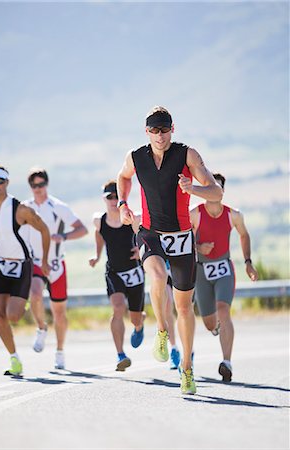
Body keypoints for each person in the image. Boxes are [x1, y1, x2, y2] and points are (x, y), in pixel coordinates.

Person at [117, 106, 222, 394]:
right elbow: (123, 178)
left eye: (164, 129)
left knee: (185, 307)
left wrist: (193, 189)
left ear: (172, 129)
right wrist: (122, 204)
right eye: (154, 130)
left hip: (182, 237)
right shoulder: (135, 157)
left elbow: (217, 192)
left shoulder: (187, 154)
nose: (160, 135)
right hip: (150, 233)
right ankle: (162, 331)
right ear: (146, 131)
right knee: (157, 275)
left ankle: (187, 369)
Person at [190, 172, 258, 382]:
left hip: (224, 269)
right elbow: (184, 242)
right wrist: (199, 246)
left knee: (224, 310)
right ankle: (215, 325)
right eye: (210, 188)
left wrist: (248, 262)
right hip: (201, 270)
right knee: (210, 323)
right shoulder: (195, 214)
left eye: (217, 188)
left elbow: (244, 235)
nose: (214, 192)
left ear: (222, 191)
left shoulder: (233, 215)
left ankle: (226, 362)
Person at [0, 165, 51, 376]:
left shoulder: (20, 209)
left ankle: (27, 305)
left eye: (0, 182)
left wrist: (46, 260)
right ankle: (14, 359)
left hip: (22, 264)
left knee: (13, 315)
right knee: (0, 315)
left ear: (7, 183)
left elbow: (44, 229)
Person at [24, 168, 88, 370]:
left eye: (41, 185)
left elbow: (82, 229)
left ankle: (60, 351)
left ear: (47, 185)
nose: (38, 189)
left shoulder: (58, 206)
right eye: (34, 186)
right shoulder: (25, 208)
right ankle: (41, 327)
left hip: (56, 264)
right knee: (34, 294)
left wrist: (65, 237)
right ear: (30, 187)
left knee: (59, 313)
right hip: (35, 261)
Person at [89, 180, 146, 371]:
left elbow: (147, 235)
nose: (113, 201)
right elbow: (99, 234)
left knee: (135, 318)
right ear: (104, 199)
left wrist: (142, 249)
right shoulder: (99, 220)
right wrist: (97, 255)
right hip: (114, 272)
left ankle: (140, 324)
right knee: (118, 307)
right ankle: (121, 354)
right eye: (109, 197)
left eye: (116, 197)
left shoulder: (132, 218)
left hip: (135, 272)